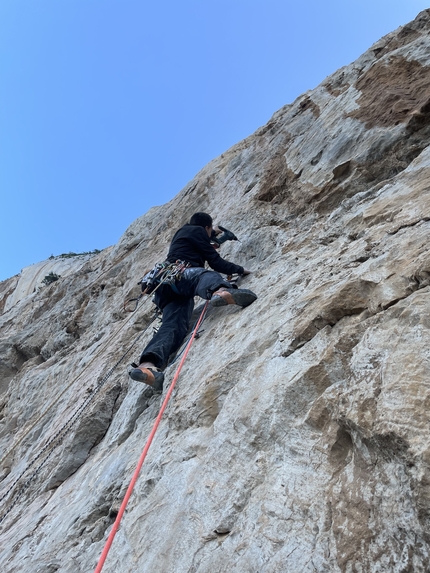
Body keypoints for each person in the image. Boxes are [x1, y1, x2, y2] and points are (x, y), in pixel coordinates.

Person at [129, 212, 257, 391]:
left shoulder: (184, 233)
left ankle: (148, 367)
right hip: (181, 275)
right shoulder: (196, 231)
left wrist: (214, 233)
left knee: (174, 326)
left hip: (165, 288)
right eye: (210, 229)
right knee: (204, 275)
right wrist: (240, 269)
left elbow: (207, 241)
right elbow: (215, 262)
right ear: (206, 227)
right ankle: (221, 292)